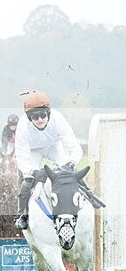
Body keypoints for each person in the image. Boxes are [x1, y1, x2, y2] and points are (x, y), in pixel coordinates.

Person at [14, 91, 104, 229]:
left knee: (71, 171)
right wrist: (33, 172)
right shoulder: (22, 127)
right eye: (34, 116)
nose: (39, 119)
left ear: (49, 113)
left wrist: (71, 162)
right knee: (28, 178)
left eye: (43, 115)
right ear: (28, 117)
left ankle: (91, 196)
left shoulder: (58, 119)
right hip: (33, 151)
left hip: (54, 146)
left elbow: (75, 149)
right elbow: (22, 160)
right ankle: (22, 215)